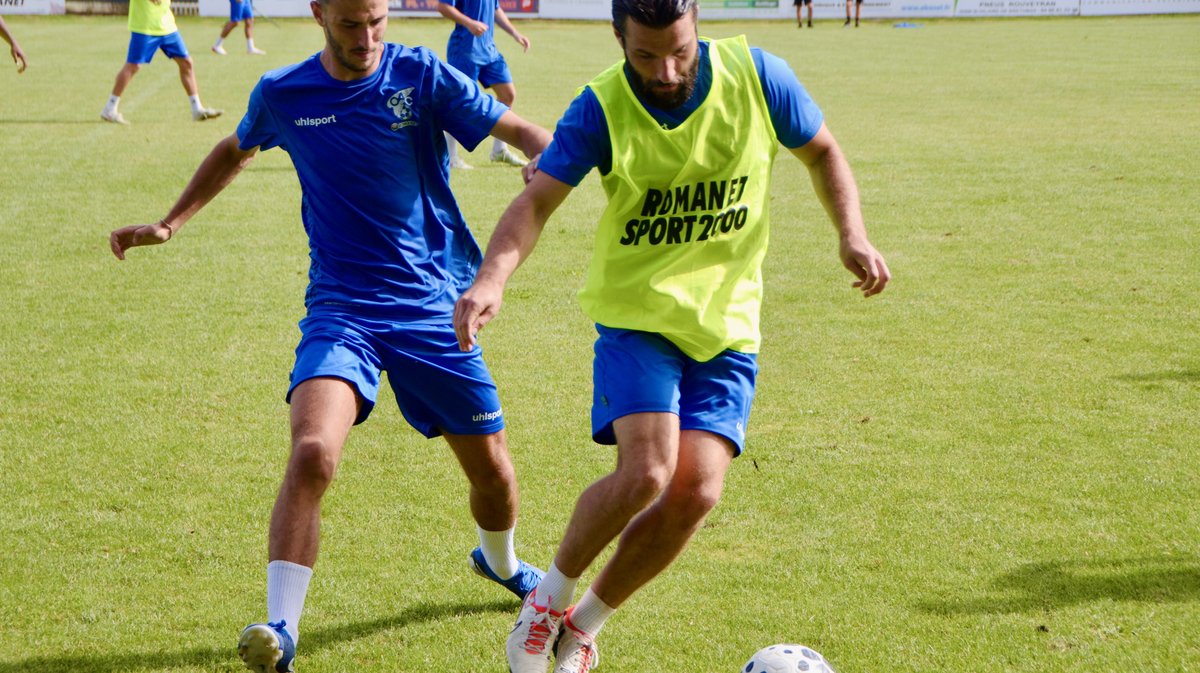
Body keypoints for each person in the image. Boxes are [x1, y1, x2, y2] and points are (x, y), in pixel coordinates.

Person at [108, 0, 553, 669]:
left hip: (432, 306)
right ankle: (280, 627)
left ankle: (502, 561)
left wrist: (543, 156)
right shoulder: (285, 93)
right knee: (313, 449)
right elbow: (235, 147)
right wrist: (171, 223)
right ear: (319, 12)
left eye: (377, 20)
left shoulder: (422, 74)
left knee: (492, 470)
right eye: (350, 23)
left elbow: (520, 128)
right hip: (341, 307)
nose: (368, 37)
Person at [452, 0, 891, 670]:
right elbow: (535, 201)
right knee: (648, 471)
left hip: (729, 321)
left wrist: (851, 233)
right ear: (619, 37)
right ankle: (543, 608)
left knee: (696, 492)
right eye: (646, 55)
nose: (665, 69)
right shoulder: (601, 106)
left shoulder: (758, 75)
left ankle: (583, 629)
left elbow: (823, 150)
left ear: (696, 25)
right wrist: (492, 279)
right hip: (639, 316)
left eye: (680, 51)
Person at [437, 0, 530, 169]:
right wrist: (469, 23)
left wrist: (515, 33)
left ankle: (499, 150)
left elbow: (495, 9)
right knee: (459, 102)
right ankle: (450, 157)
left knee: (508, 94)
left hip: (489, 51)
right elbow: (443, 7)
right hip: (464, 50)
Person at [101, 0, 222, 124]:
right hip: (144, 26)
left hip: (167, 26)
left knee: (186, 62)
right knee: (134, 65)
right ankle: (110, 108)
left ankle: (197, 109)